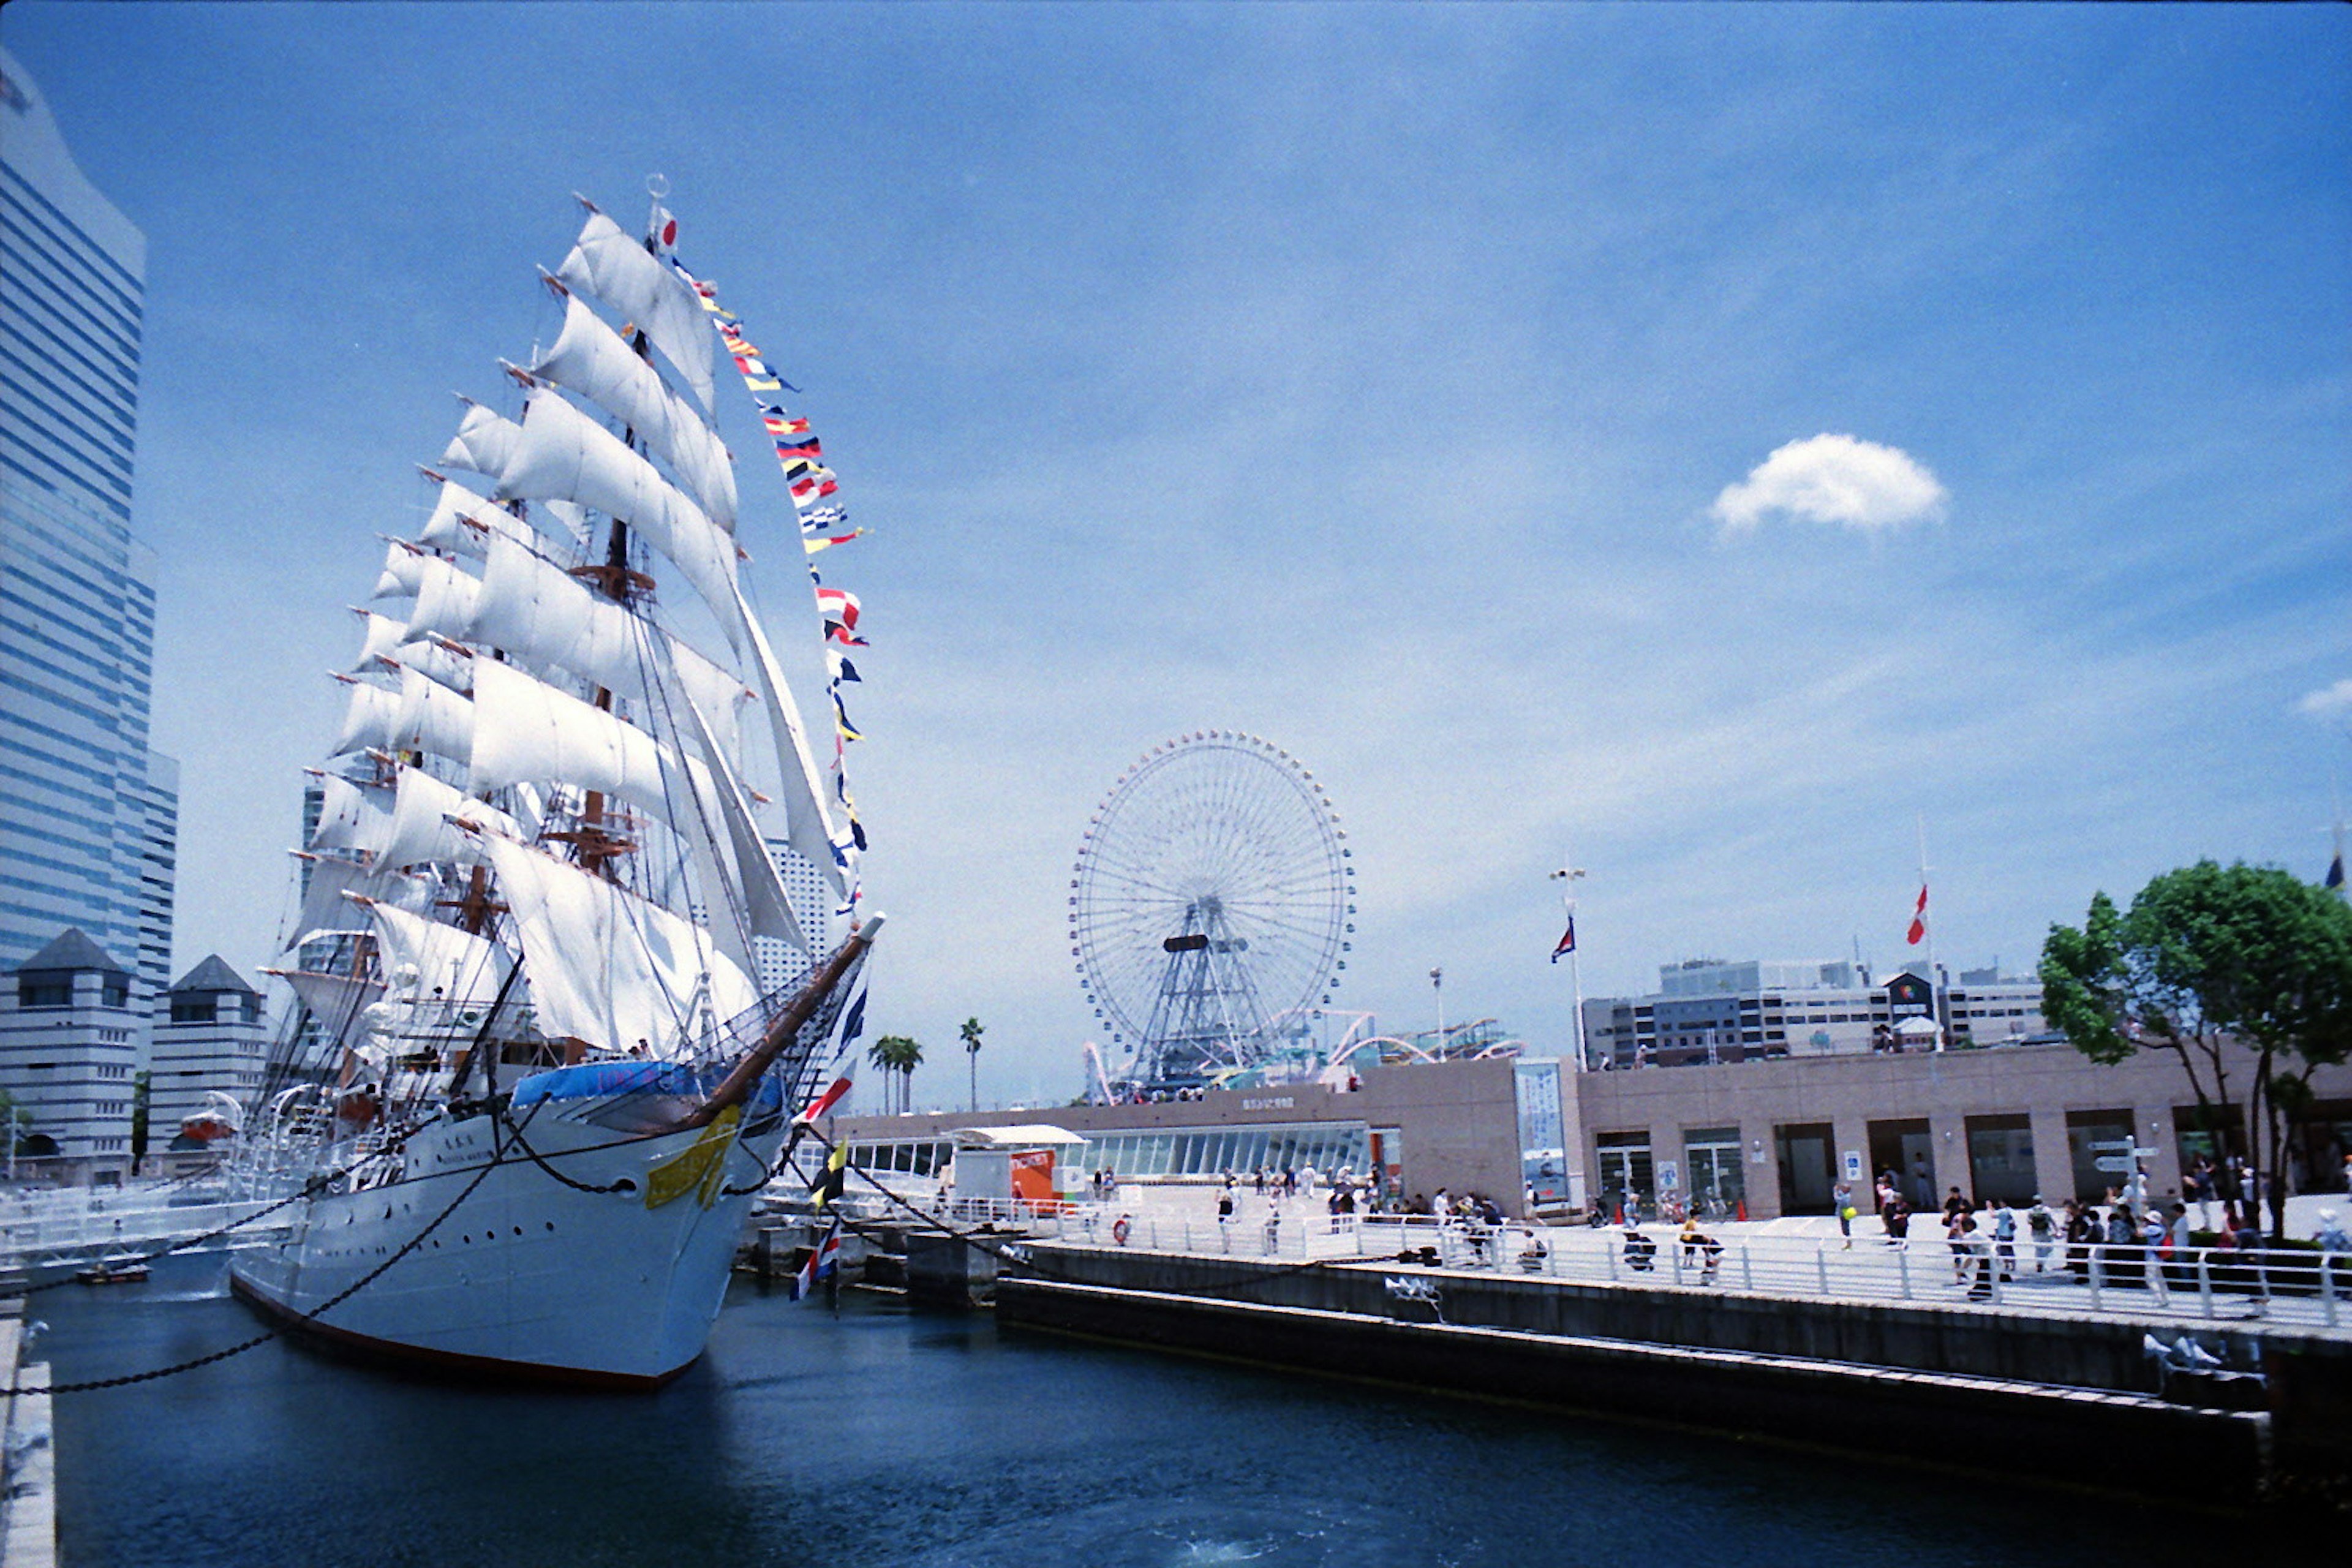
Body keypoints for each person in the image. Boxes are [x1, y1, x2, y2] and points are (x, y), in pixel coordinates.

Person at [2026, 1195, 2055, 1273]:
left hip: (2036, 1233)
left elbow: (2029, 1222)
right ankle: (2044, 1262)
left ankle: (2039, 1264)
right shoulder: (2047, 1210)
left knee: (2038, 1249)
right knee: (2049, 1248)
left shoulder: (2031, 1211)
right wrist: (2056, 1230)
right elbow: (2052, 1221)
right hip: (2046, 1232)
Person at [1992, 1201, 2018, 1282]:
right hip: (2010, 1233)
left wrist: (1989, 1207)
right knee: (2010, 1249)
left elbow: (1992, 1215)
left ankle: (2007, 1265)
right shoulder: (2011, 1211)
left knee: (2003, 1250)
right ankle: (2013, 1265)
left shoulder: (2002, 1212)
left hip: (2003, 1233)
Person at [1833, 1178, 1856, 1251]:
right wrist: (1837, 1188)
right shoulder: (1845, 1195)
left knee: (1846, 1229)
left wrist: (1835, 1191)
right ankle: (1848, 1244)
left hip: (1845, 1214)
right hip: (1843, 1214)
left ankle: (1849, 1244)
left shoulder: (1846, 1197)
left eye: (1844, 1188)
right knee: (1845, 1229)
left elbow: (1838, 1199)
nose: (1842, 1189)